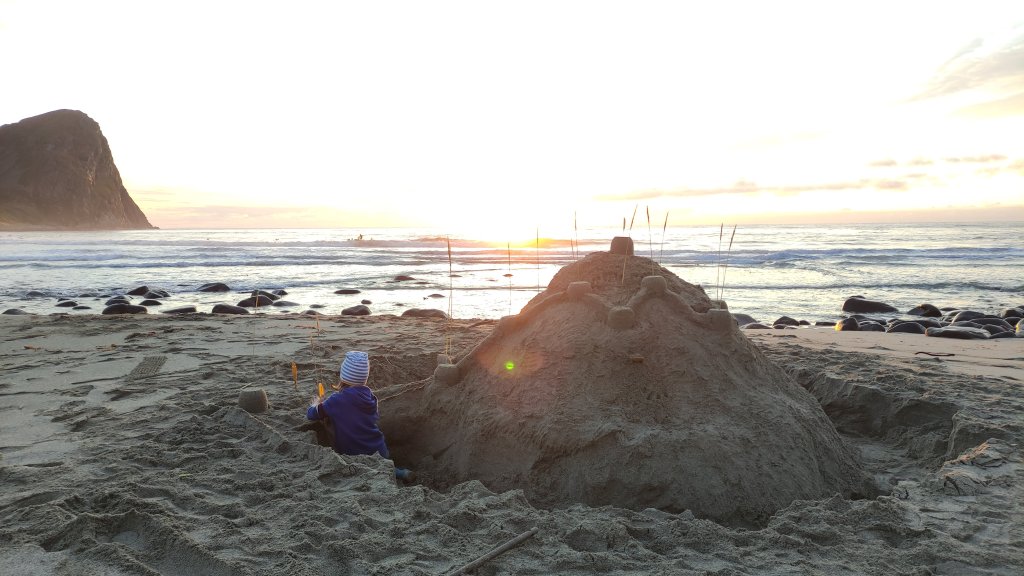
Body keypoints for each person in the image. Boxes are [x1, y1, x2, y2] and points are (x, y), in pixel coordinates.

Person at [306, 350, 413, 482]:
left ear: (343, 377)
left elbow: (311, 414)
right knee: (385, 466)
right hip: (379, 449)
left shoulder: (336, 401)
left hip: (355, 453)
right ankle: (400, 472)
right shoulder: (371, 398)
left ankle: (397, 473)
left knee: (372, 468)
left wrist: (317, 403)